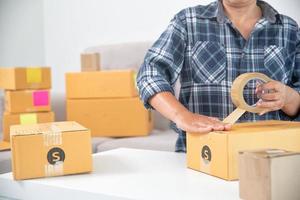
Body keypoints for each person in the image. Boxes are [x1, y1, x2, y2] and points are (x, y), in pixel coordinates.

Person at [137, 0, 300, 152]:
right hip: (204, 152)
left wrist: (290, 98)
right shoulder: (188, 22)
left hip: (272, 153)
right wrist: (182, 116)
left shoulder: (288, 29)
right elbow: (150, 73)